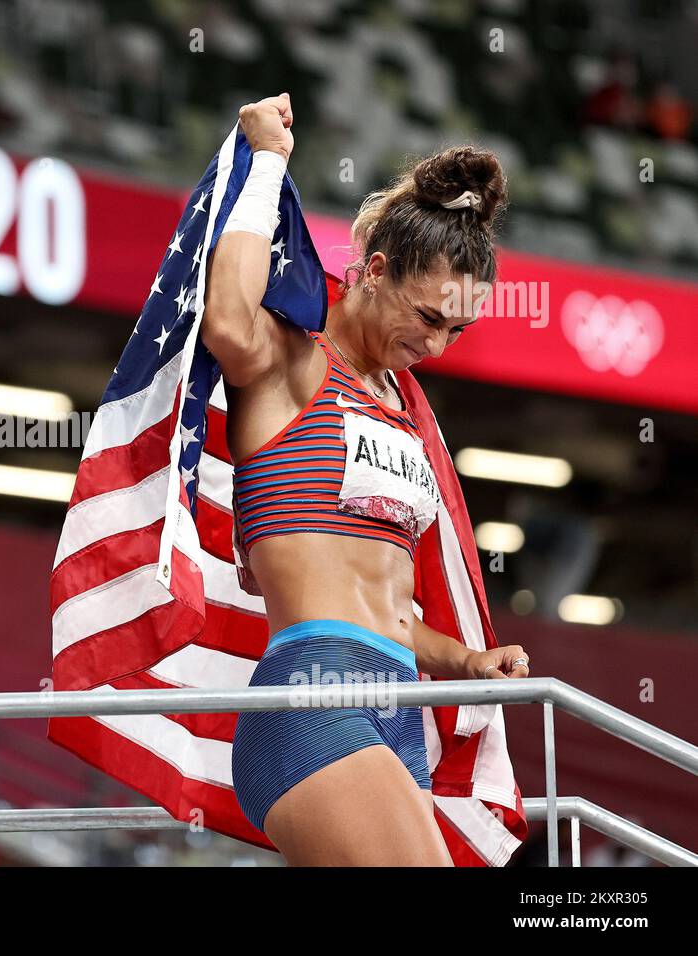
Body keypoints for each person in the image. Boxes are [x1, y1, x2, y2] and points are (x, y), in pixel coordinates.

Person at [202, 93, 532, 866]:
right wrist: (268, 163)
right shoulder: (293, 366)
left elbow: (384, 604)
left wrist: (463, 661)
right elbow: (222, 321)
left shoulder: (404, 417)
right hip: (309, 699)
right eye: (426, 317)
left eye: (457, 329)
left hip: (396, 709)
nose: (438, 346)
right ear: (374, 272)